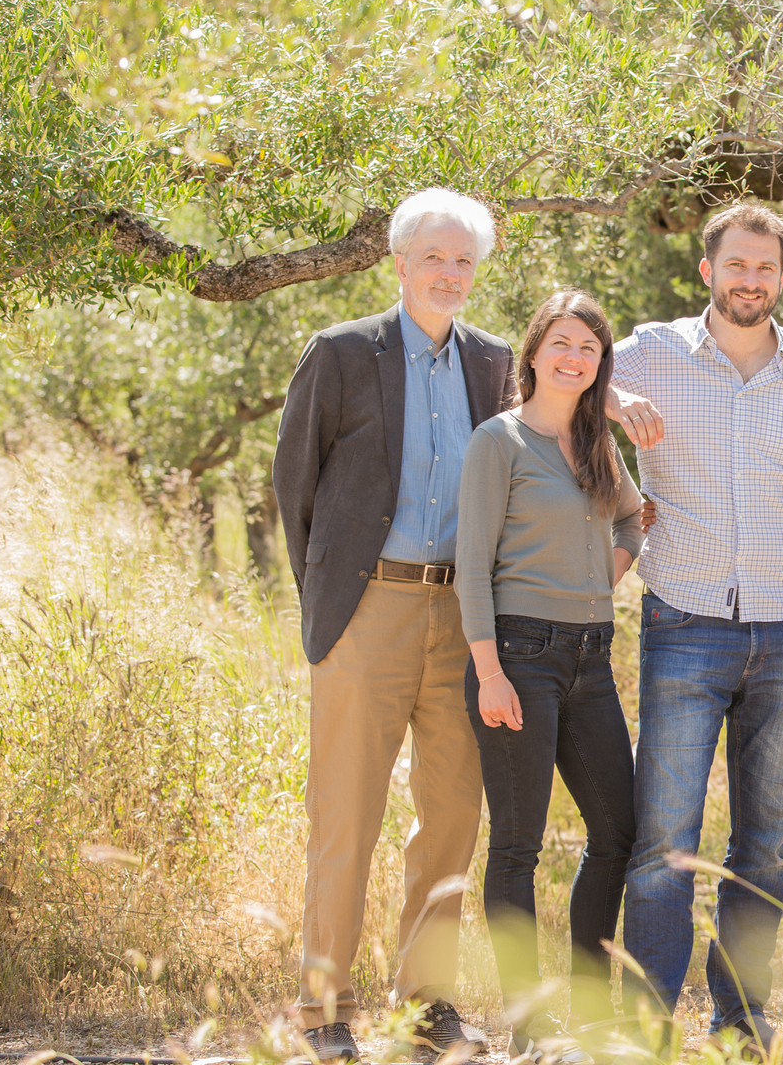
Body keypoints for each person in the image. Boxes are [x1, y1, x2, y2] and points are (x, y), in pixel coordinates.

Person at [272, 188, 515, 1064]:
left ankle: (425, 1006)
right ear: (399, 260)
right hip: (366, 610)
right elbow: (293, 488)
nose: (449, 275)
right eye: (434, 258)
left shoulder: (494, 362)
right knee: (346, 813)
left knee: (451, 814)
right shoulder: (340, 354)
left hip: (465, 616)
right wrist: (329, 607)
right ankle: (322, 1009)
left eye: (463, 262)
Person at [614, 203, 783, 1063]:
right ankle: (645, 1032)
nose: (750, 280)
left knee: (766, 845)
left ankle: (741, 1024)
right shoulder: (647, 352)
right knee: (662, 847)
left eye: (766, 268)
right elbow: (543, 382)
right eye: (736, 265)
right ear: (707, 271)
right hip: (682, 621)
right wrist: (610, 396)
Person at [454, 290, 644, 1065]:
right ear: (533, 352)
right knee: (519, 846)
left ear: (600, 365)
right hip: (517, 658)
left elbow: (634, 518)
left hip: (591, 660)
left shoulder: (598, 443)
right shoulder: (498, 441)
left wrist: (607, 574)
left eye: (589, 349)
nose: (574, 358)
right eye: (562, 343)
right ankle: (531, 1025)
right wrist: (489, 672)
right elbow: (472, 564)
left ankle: (593, 1011)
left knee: (618, 834)